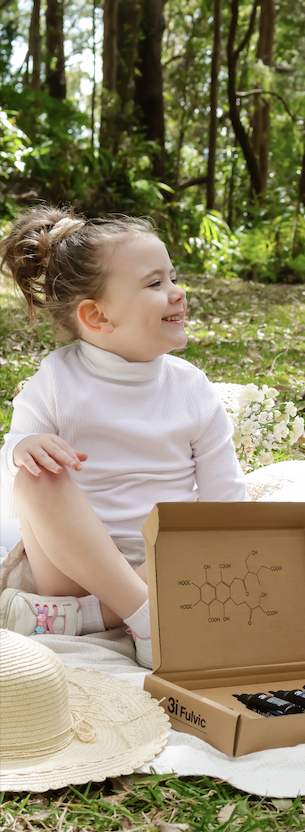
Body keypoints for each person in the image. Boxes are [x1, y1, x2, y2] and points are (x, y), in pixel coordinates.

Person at [0, 209, 246, 666]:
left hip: (163, 563)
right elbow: (15, 454)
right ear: (97, 316)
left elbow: (226, 501)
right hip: (72, 561)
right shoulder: (57, 379)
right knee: (35, 476)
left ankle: (92, 617)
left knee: (213, 531)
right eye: (155, 284)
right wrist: (25, 448)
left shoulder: (192, 389)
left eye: (172, 277)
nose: (178, 292)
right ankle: (150, 622)